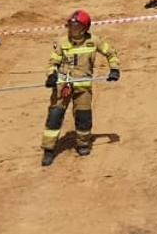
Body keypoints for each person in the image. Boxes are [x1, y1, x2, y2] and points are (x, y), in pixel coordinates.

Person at [40, 10, 117, 167]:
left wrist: (114, 69)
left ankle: (83, 144)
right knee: (55, 116)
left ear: (84, 28)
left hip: (83, 88)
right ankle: (48, 149)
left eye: (76, 26)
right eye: (70, 26)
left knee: (83, 117)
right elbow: (53, 62)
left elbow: (111, 53)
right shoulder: (61, 42)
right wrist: (51, 75)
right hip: (63, 87)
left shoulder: (94, 41)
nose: (72, 29)